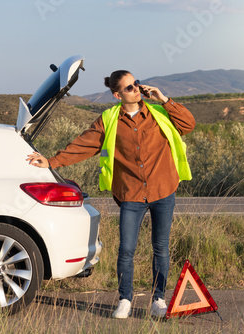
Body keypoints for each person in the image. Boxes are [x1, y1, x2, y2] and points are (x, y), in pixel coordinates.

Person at [27, 70, 195, 318]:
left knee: (160, 248)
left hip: (163, 190)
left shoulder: (160, 113)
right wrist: (51, 161)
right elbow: (83, 145)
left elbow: (188, 125)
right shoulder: (108, 119)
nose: (136, 89)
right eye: (129, 88)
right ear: (118, 95)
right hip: (130, 194)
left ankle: (158, 299)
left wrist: (164, 99)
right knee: (126, 250)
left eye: (136, 84)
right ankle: (125, 299)